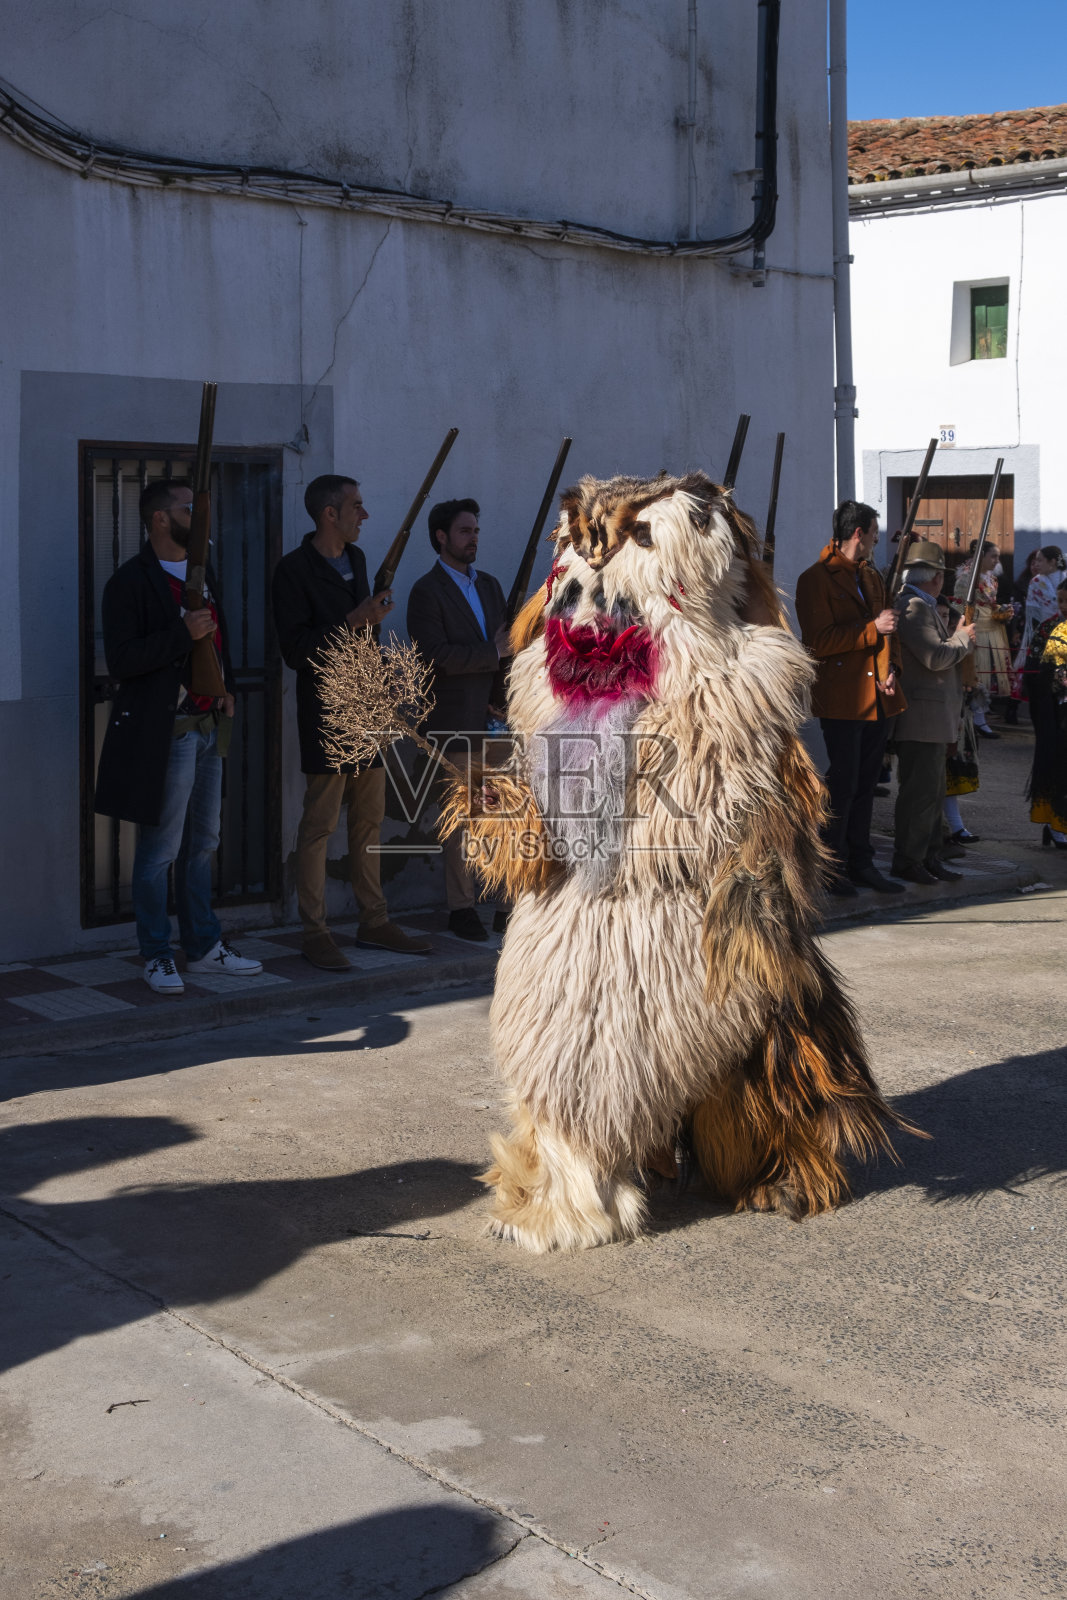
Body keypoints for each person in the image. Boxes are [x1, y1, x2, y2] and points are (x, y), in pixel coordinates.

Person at [94, 480, 264, 993]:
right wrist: (179, 634)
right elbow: (123, 660)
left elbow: (216, 638)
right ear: (161, 520)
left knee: (203, 843)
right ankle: (154, 952)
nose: (200, 517)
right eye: (189, 508)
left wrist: (228, 687)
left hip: (211, 726)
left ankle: (204, 947)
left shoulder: (201, 574)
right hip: (166, 732)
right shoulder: (128, 583)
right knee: (159, 849)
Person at [271, 474, 433, 969]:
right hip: (326, 711)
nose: (364, 515)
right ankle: (315, 931)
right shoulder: (292, 571)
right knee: (320, 825)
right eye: (356, 506)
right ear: (329, 514)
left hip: (370, 708)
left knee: (370, 822)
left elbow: (367, 634)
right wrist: (354, 621)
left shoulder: (359, 561)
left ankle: (374, 920)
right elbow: (296, 652)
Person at [406, 498, 511, 940]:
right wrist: (493, 654)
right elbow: (435, 658)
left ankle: (508, 903)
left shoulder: (488, 585)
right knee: (461, 821)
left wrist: (502, 695)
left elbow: (507, 649)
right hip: (451, 722)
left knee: (507, 815)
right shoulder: (426, 592)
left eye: (476, 531)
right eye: (465, 531)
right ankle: (461, 907)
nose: (474, 538)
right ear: (441, 537)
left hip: (495, 719)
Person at [795, 500, 907, 897]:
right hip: (843, 700)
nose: (877, 540)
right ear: (858, 533)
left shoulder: (871, 577)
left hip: (878, 698)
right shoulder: (816, 580)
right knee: (843, 784)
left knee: (866, 784)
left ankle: (861, 862)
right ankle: (831, 864)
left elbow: (886, 632)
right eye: (874, 533)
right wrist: (871, 628)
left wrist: (892, 668)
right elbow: (818, 642)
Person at [890, 541, 976, 884]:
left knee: (933, 793)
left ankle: (926, 856)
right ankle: (909, 859)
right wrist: (961, 639)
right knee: (919, 794)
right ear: (935, 577)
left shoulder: (921, 604)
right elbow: (934, 656)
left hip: (933, 718)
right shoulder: (912, 607)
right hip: (920, 718)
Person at [952, 542, 1013, 737]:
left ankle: (979, 719)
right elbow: (962, 608)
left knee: (983, 677)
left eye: (997, 557)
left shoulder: (990, 577)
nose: (996, 561)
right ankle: (973, 720)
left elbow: (989, 604)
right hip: (978, 630)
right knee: (974, 674)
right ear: (982, 556)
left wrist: (1000, 611)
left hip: (991, 631)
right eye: (993, 556)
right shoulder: (966, 577)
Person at [1024, 578, 1067, 848]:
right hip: (1056, 714)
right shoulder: (1048, 628)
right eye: (1061, 600)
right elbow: (1034, 672)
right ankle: (1056, 825)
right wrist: (1057, 677)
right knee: (1058, 768)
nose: (1063, 607)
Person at [936, 593, 981, 845]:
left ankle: (955, 826)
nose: (944, 622)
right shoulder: (938, 646)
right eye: (940, 616)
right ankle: (949, 827)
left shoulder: (959, 645)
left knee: (952, 773)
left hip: (958, 718)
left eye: (947, 617)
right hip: (937, 718)